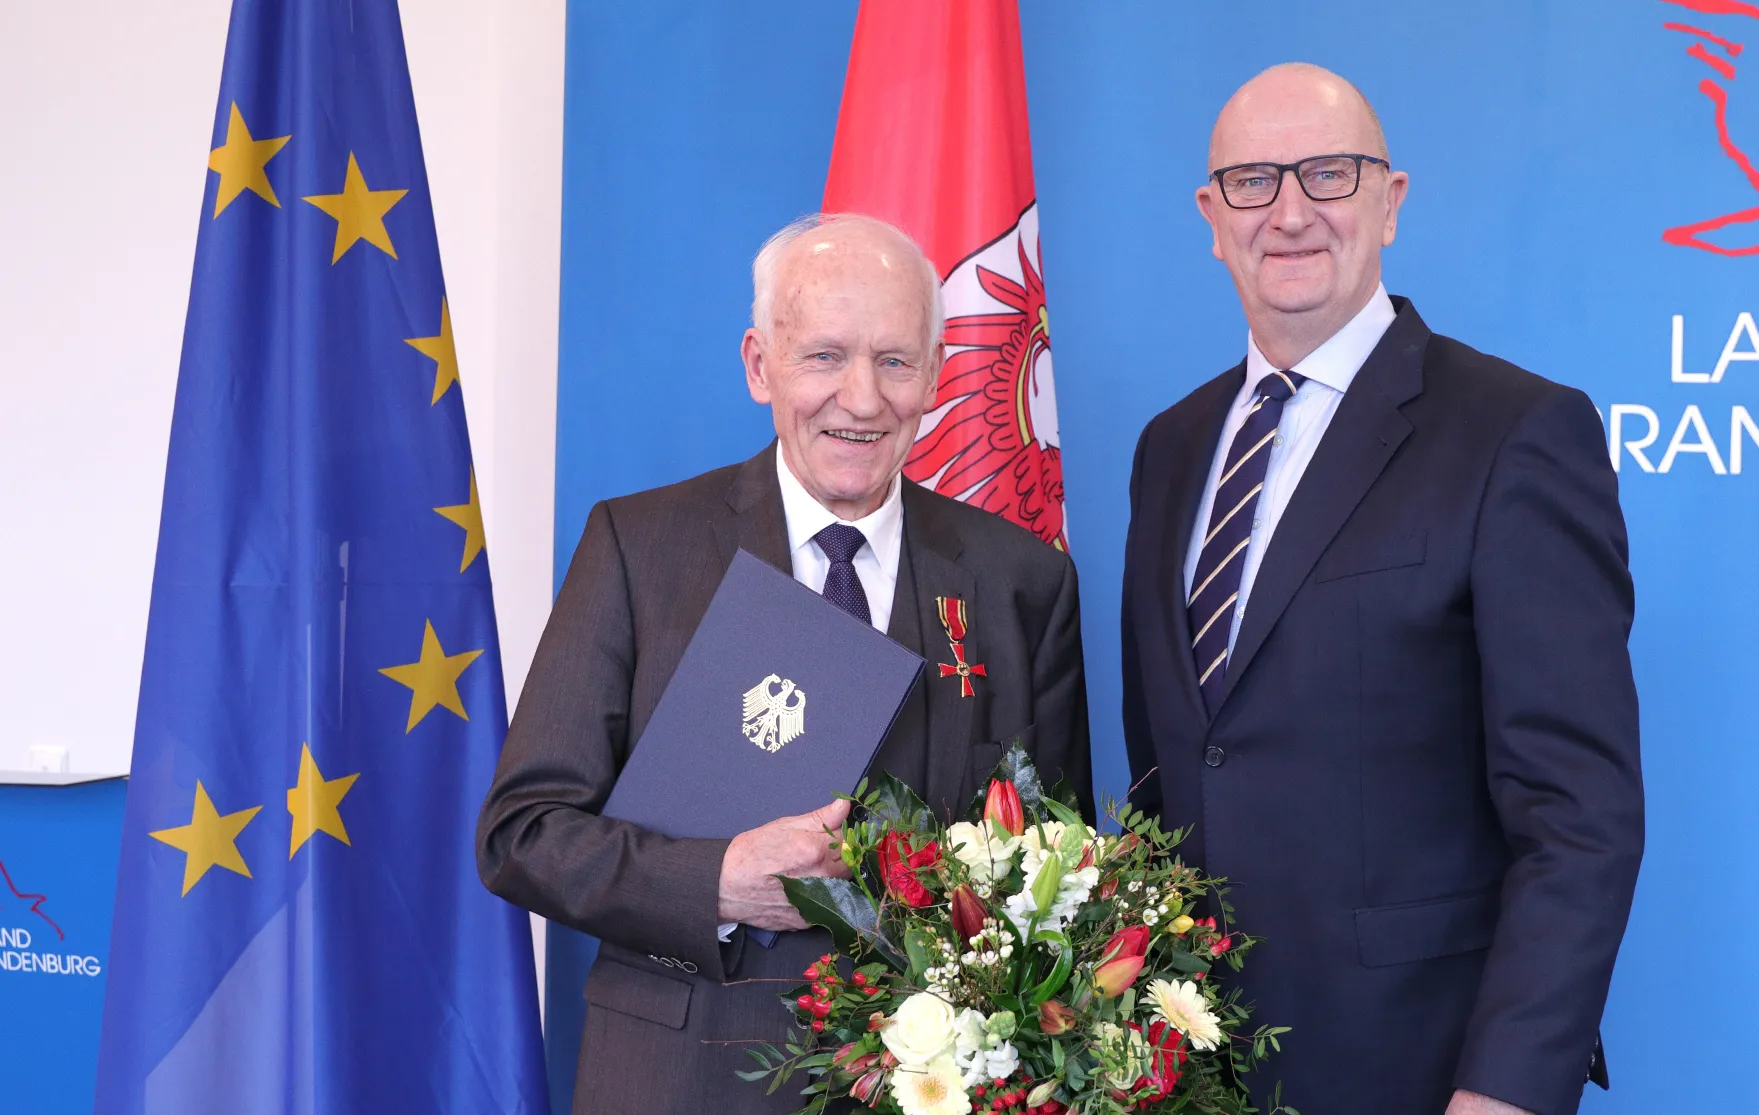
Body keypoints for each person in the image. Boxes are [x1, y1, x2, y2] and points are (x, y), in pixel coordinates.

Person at [478, 213, 1092, 1114]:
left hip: (930, 1088)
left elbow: (1055, 875)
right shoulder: (640, 549)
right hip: (682, 1079)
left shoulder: (1022, 582)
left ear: (933, 373)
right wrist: (718, 880)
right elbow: (522, 834)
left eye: (894, 360)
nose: (862, 397)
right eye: (824, 356)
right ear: (760, 364)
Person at [1119, 64, 1642, 1115]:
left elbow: (1578, 813)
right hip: (1179, 1072)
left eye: (1329, 173)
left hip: (1417, 1070)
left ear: (1390, 202)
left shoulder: (1514, 433)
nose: (1292, 211)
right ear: (1210, 217)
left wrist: (1506, 1087)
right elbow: (1167, 773)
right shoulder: (1170, 448)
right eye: (1254, 181)